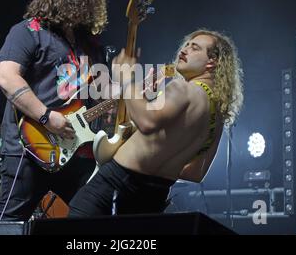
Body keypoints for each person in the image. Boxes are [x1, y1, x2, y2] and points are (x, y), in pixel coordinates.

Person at [68, 29, 244, 216]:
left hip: (116, 182)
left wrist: (126, 80)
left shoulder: (183, 88)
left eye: (195, 48)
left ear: (212, 62)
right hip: (154, 196)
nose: (184, 50)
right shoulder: (216, 117)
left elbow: (147, 123)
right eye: (186, 45)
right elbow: (195, 173)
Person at [0, 0, 108, 221]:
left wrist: (134, 86)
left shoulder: (90, 45)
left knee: (95, 220)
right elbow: (6, 78)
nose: (92, 7)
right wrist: (47, 117)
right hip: (29, 148)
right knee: (9, 224)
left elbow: (100, 94)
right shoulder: (27, 31)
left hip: (77, 149)